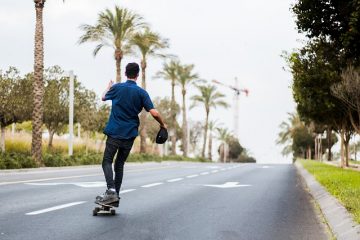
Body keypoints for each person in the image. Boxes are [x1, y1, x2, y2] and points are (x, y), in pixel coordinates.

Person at [95, 62, 167, 206]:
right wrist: (162, 124)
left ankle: (111, 190)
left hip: (115, 132)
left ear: (125, 73)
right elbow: (154, 112)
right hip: (129, 134)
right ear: (138, 75)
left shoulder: (116, 88)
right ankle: (115, 197)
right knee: (120, 164)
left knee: (107, 161)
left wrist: (108, 87)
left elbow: (103, 97)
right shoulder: (141, 93)